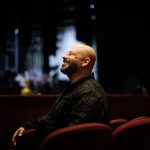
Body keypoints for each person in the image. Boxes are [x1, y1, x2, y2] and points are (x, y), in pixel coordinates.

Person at [12, 43, 110, 149]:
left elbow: (70, 135)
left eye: (71, 54)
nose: (63, 56)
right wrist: (26, 126)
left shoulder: (89, 91)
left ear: (85, 62)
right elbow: (52, 118)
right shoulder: (75, 87)